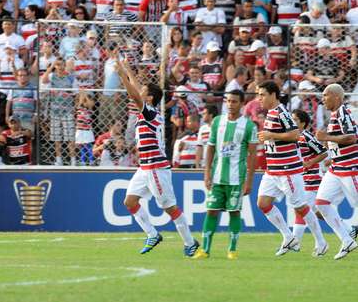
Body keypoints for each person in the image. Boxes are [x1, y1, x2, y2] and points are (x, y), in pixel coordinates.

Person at [115, 58, 200, 257]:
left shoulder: (150, 112)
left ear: (150, 98)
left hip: (156, 168)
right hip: (145, 168)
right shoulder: (149, 111)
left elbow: (135, 94)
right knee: (129, 202)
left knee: (169, 208)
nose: (140, 92)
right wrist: (128, 68)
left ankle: (190, 243)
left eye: (145, 92)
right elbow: (138, 89)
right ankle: (152, 234)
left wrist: (121, 76)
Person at [256, 80, 328, 257]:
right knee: (263, 203)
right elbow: (279, 138)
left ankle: (321, 242)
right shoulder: (271, 113)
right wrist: (267, 139)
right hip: (273, 169)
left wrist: (271, 135)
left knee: (301, 206)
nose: (259, 99)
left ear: (273, 95)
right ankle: (288, 237)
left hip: (287, 169)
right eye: (258, 95)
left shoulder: (282, 112)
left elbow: (295, 134)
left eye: (262, 95)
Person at [193, 89, 258, 260]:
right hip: (217, 177)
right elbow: (211, 148)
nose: (230, 104)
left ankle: (232, 249)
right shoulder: (217, 122)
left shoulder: (249, 126)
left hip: (237, 179)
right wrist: (206, 173)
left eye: (234, 101)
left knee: (234, 212)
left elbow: (252, 156)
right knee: (211, 211)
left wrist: (249, 182)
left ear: (242, 104)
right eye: (228, 101)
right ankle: (205, 250)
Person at [315, 83, 358, 260]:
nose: (323, 98)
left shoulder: (343, 113)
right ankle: (347, 240)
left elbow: (351, 137)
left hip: (349, 169)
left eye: (326, 95)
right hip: (336, 169)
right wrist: (331, 156)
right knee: (321, 204)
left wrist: (326, 137)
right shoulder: (334, 115)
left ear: (336, 97)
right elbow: (340, 142)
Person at [291, 109, 328, 246]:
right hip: (302, 179)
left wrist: (310, 163)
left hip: (312, 179)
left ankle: (294, 244)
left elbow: (323, 152)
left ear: (303, 123)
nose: (292, 122)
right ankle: (347, 229)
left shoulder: (306, 137)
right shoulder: (293, 137)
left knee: (300, 209)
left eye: (295, 120)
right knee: (318, 212)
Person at [75, 91, 95, 166]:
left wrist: (85, 96)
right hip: (80, 130)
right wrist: (83, 94)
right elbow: (81, 101)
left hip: (86, 131)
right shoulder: (80, 108)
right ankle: (82, 161)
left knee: (88, 145)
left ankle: (91, 160)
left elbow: (89, 103)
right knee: (82, 146)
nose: (85, 102)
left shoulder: (89, 110)